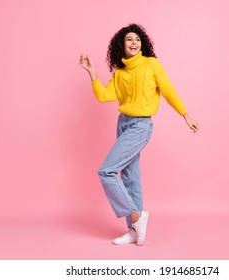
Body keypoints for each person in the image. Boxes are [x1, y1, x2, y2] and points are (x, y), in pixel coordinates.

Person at [79, 23, 199, 246]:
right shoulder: (120, 73)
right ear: (121, 45)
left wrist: (185, 114)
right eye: (129, 40)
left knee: (106, 171)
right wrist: (92, 73)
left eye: (137, 39)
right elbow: (104, 96)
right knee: (130, 179)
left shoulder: (151, 65)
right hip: (123, 124)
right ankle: (135, 232)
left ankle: (136, 216)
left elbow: (168, 90)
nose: (134, 43)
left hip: (140, 126)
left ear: (142, 43)